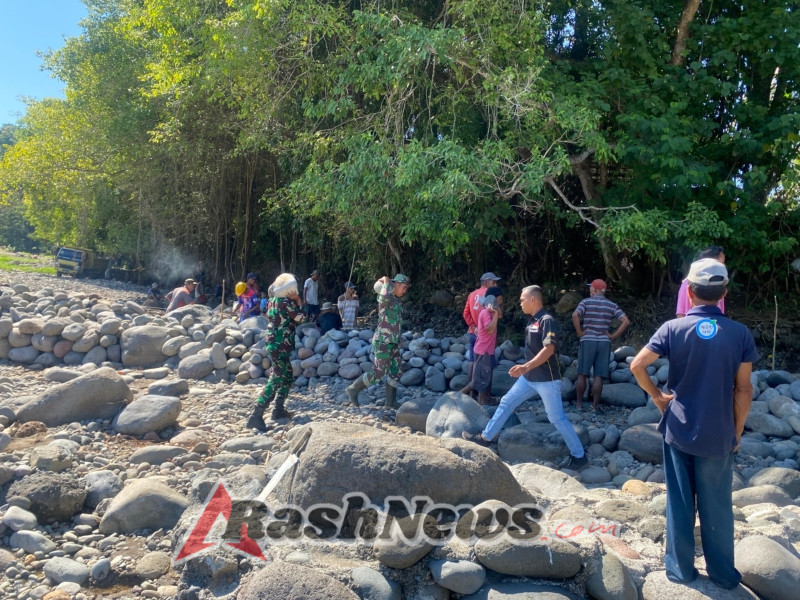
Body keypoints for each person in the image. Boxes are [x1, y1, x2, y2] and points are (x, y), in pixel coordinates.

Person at [630, 258, 756, 590]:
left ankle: (680, 571)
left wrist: (657, 397)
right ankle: (723, 574)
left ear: (689, 290)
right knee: (718, 505)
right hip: (718, 433)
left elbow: (638, 365)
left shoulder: (673, 328)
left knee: (680, 502)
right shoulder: (740, 333)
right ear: (724, 292)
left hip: (678, 429)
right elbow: (743, 389)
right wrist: (737, 431)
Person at [462, 285, 588, 471]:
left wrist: (525, 366)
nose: (520, 303)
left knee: (556, 418)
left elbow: (549, 349)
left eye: (522, 300)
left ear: (533, 300)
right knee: (506, 402)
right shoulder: (532, 320)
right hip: (529, 378)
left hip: (546, 379)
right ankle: (484, 439)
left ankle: (579, 456)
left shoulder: (547, 321)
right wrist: (526, 369)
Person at [246, 273, 305, 431]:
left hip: (275, 344)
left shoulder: (273, 301)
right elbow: (301, 318)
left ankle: (278, 410)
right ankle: (256, 414)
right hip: (280, 345)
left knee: (287, 375)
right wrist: (298, 301)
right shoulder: (286, 302)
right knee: (277, 377)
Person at [344, 274, 411, 408]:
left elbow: (396, 322)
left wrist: (398, 338)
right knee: (379, 372)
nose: (405, 291)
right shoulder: (386, 298)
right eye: (404, 287)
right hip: (383, 342)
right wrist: (386, 282)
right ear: (396, 284)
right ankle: (353, 389)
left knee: (396, 371)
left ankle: (390, 402)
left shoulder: (396, 301)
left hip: (392, 342)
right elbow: (382, 298)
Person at [572, 279, 630, 410]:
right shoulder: (611, 305)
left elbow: (575, 315)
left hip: (587, 340)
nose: (590, 290)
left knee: (582, 374)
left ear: (596, 290)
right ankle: (595, 406)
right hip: (604, 342)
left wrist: (580, 332)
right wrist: (613, 335)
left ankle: (579, 405)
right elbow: (626, 321)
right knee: (599, 376)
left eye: (591, 288)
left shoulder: (585, 302)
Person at [461, 286, 503, 406]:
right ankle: (457, 396)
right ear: (494, 299)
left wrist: (495, 309)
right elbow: (489, 329)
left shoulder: (490, 311)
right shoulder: (485, 312)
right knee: (479, 382)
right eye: (500, 299)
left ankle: (486, 400)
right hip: (483, 351)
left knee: (485, 379)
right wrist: (494, 314)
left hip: (487, 351)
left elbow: (500, 315)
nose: (501, 302)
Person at [463, 273, 501, 385]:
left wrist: (473, 327)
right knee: (486, 364)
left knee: (472, 361)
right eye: (493, 282)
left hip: (473, 332)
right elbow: (497, 315)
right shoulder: (490, 296)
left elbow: (466, 313)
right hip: (486, 335)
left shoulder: (472, 294)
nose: (496, 285)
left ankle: (471, 390)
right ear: (487, 281)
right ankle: (484, 392)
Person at [676, 246, 725, 317]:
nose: (724, 266)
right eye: (721, 263)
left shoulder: (719, 283)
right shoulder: (688, 283)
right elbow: (681, 314)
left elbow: (721, 314)